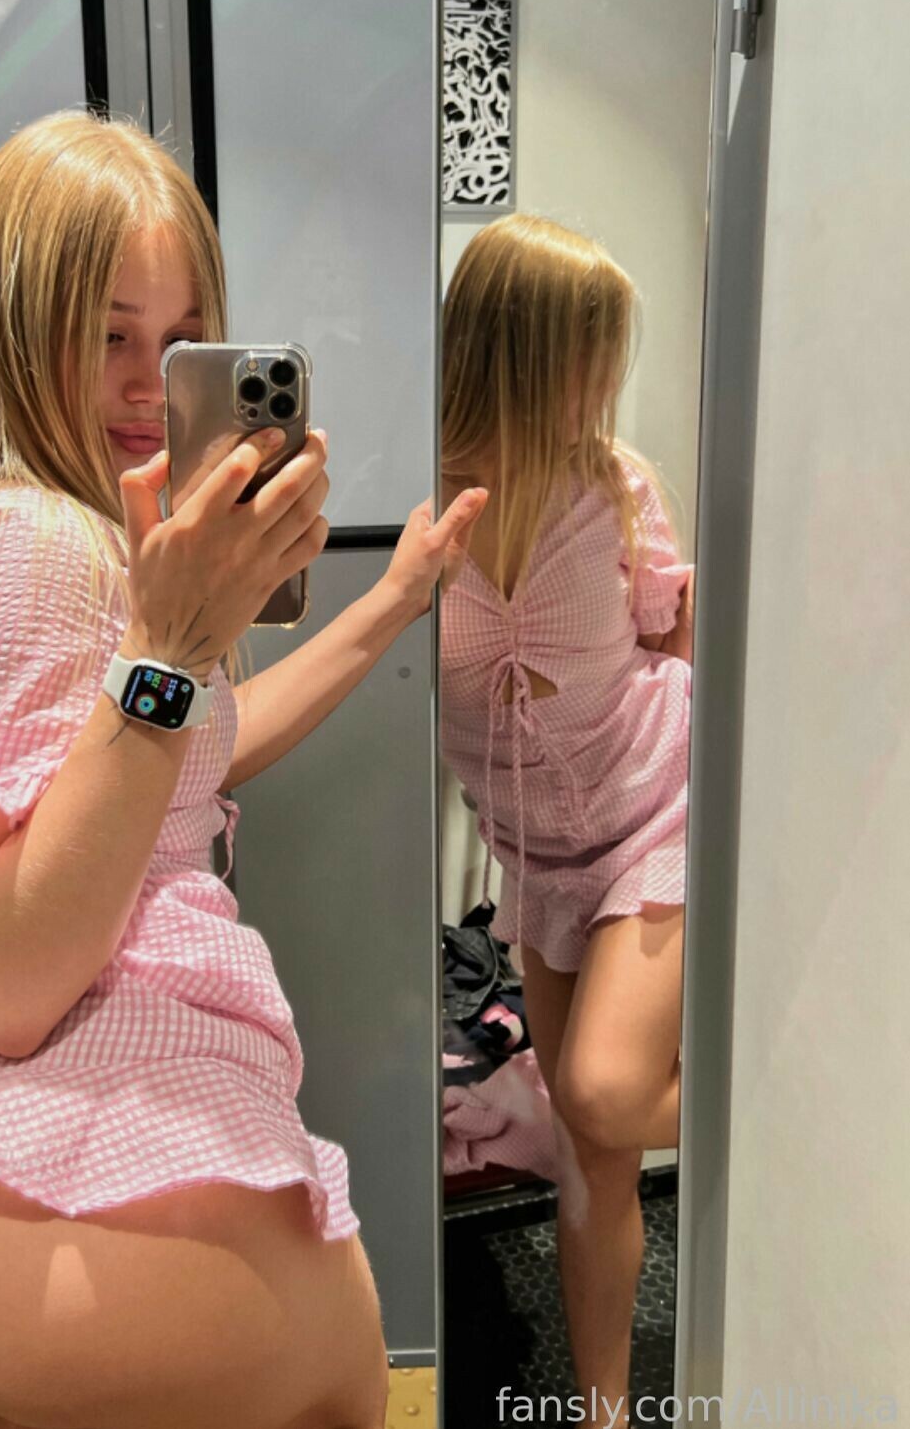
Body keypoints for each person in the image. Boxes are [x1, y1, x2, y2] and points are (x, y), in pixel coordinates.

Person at [0, 109, 485, 1429]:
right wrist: (170, 645)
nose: (152, 384)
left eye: (183, 338)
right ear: (16, 330)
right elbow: (8, 983)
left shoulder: (34, 533)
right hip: (37, 1179)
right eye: (109, 336)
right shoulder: (46, 551)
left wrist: (388, 603)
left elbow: (178, 762)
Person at [438, 213, 694, 1423]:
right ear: (532, 348)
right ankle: (603, 1411)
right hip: (541, 861)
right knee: (593, 1161)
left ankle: (803, 1100)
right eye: (597, 348)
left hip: (658, 815)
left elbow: (676, 647)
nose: (609, 378)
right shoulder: (418, 506)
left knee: (596, 1093)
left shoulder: (617, 487)